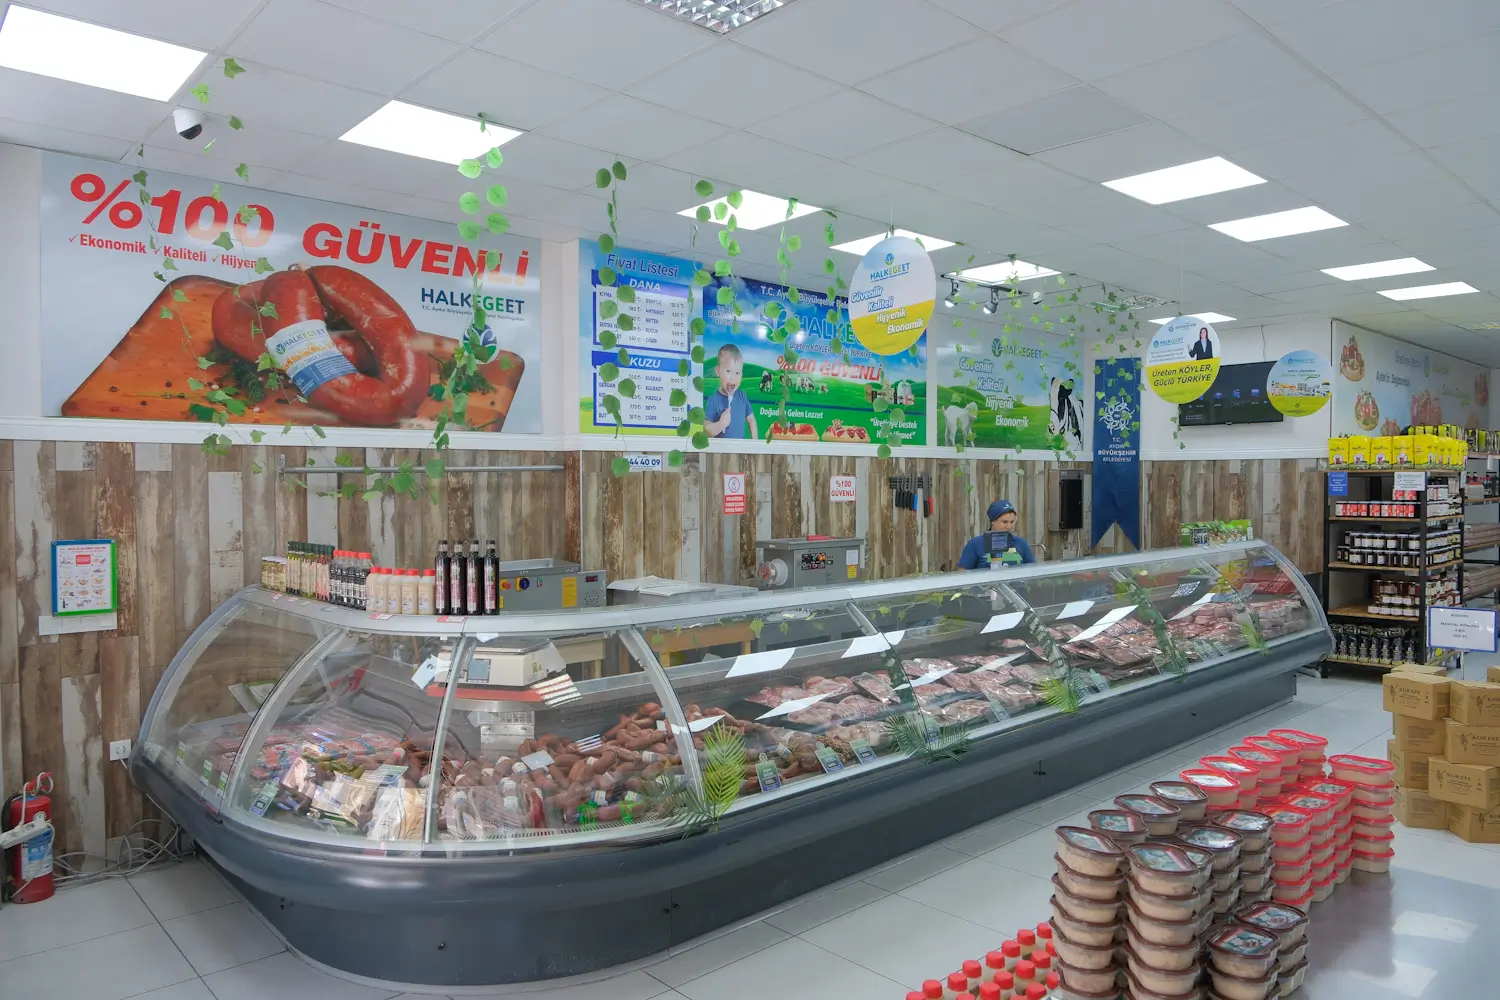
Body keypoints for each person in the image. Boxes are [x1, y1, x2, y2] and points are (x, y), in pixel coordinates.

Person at [958, 499, 1036, 569]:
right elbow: (963, 573)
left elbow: (1032, 570)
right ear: (993, 521)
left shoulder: (1021, 544)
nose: (1009, 526)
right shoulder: (975, 545)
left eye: (1012, 522)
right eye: (1004, 522)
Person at [704, 344, 757, 439]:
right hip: (722, 448)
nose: (733, 378)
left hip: (740, 447)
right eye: (728, 371)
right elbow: (707, 430)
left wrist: (755, 441)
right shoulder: (714, 400)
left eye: (737, 373)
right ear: (718, 371)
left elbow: (751, 420)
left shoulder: (742, 396)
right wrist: (721, 424)